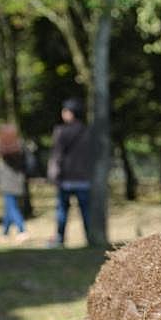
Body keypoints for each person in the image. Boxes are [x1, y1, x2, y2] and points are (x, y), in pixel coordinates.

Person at [47, 98, 92, 247]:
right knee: (86, 211)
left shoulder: (61, 132)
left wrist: (53, 173)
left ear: (70, 113)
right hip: (84, 178)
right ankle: (90, 238)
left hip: (66, 178)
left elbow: (57, 155)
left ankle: (60, 239)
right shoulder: (88, 132)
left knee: (62, 210)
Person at [0, 123, 30, 242]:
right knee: (9, 206)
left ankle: (22, 230)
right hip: (18, 179)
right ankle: (4, 233)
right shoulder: (20, 144)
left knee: (12, 206)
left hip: (6, 180)